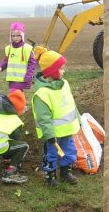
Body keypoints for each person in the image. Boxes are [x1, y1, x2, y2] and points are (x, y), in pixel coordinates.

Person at [32, 47, 80, 187]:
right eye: (61, 68)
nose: (64, 71)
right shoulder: (42, 94)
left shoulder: (64, 84)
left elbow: (71, 104)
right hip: (52, 134)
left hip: (67, 130)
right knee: (51, 153)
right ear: (52, 71)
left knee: (69, 150)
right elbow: (43, 118)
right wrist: (49, 134)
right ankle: (50, 175)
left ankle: (65, 172)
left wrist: (78, 119)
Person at [0, 22, 36, 93]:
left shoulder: (27, 48)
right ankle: (22, 104)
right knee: (18, 97)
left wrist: (28, 76)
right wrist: (0, 67)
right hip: (12, 78)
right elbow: (6, 61)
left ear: (22, 36)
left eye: (18, 36)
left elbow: (32, 64)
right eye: (13, 36)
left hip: (22, 78)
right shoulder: (9, 48)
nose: (15, 38)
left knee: (14, 95)